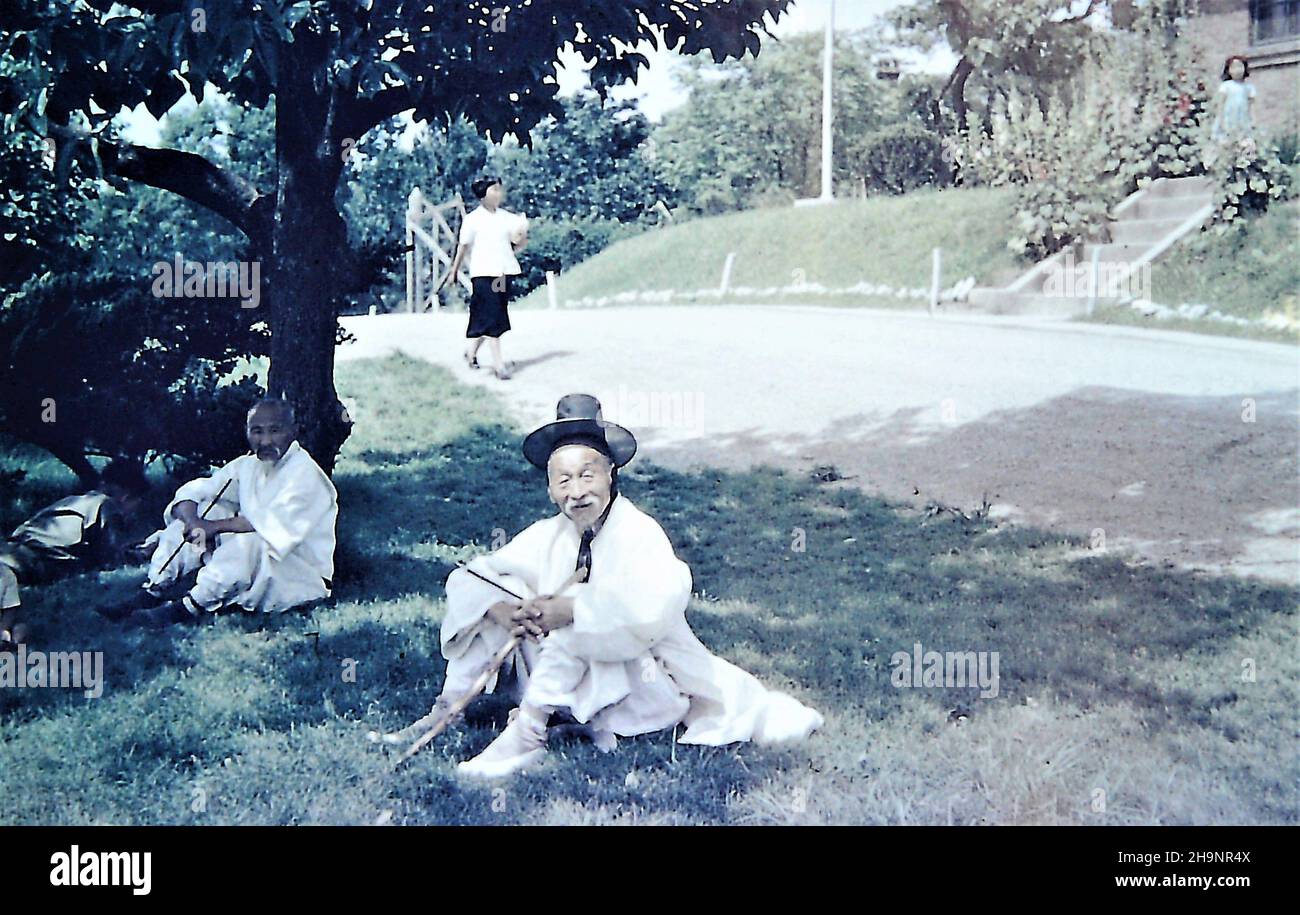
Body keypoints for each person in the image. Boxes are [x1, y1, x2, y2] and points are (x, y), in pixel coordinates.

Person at [427, 394, 824, 779]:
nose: (577, 491)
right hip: (570, 677)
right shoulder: (550, 533)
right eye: (563, 480)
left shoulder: (638, 533)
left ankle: (528, 733)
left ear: (610, 473)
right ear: (550, 489)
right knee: (492, 591)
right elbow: (469, 575)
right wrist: (505, 611)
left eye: (587, 474)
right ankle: (448, 709)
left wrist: (569, 610)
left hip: (640, 687)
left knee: (579, 613)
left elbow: (649, 609)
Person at [102, 398, 338, 628]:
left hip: (296, 573)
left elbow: (271, 526)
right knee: (207, 508)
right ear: (246, 432)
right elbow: (199, 490)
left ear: (293, 431)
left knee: (253, 540)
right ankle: (153, 590)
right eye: (257, 431)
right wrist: (194, 521)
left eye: (275, 431)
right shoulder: (248, 465)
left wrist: (211, 528)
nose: (265, 440)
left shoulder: (305, 474)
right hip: (257, 563)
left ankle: (186, 608)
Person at [0, 462, 148, 649]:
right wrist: (142, 555)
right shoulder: (106, 505)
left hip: (12, 549)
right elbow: (110, 560)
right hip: (33, 559)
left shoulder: (74, 500)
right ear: (127, 497)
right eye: (136, 505)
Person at [438, 175, 528, 380]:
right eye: (493, 190)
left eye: (499, 190)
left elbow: (520, 242)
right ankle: (499, 366)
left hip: (504, 271)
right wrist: (454, 271)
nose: (498, 194)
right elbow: (463, 247)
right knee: (492, 315)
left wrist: (521, 238)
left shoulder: (508, 218)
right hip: (483, 274)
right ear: (482, 194)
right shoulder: (473, 219)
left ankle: (471, 353)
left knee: (491, 317)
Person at [1211, 55, 1255, 144]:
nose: (1237, 70)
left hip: (1243, 117)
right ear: (1228, 70)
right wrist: (1221, 119)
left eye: (1240, 67)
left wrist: (1253, 119)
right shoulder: (1226, 86)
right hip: (1228, 117)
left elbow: (1252, 105)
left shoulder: (1248, 87)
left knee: (1244, 140)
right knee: (1227, 140)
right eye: (1233, 67)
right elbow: (1221, 104)